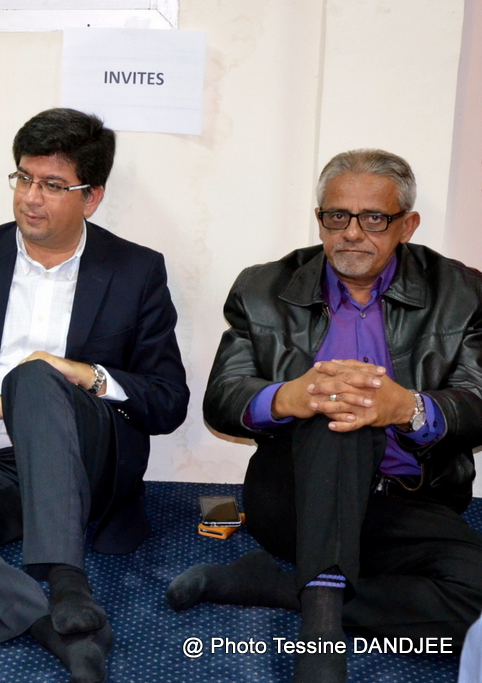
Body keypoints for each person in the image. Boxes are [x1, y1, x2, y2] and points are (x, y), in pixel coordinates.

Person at [0, 108, 189, 683]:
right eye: (24, 178)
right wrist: (7, 407)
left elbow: (168, 400)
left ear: (92, 197)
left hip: (89, 461)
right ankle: (49, 628)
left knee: (35, 375)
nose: (30, 197)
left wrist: (84, 376)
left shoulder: (136, 270)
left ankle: (66, 578)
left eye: (53, 185)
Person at [167, 149, 482, 682]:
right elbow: (222, 397)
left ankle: (277, 589)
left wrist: (405, 408)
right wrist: (291, 397)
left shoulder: (462, 292)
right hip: (295, 497)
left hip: (403, 503)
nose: (352, 233)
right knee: (340, 414)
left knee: (476, 604)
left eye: (373, 218)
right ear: (319, 219)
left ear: (407, 225)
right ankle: (320, 640)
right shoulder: (263, 287)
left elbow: (478, 401)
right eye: (337, 216)